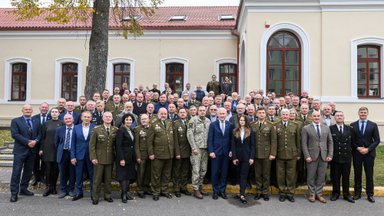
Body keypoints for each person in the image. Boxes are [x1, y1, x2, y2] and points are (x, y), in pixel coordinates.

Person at [10, 104, 41, 202]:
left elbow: (40, 133)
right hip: (20, 151)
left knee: (28, 172)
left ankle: (23, 189)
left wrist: (36, 141)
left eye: (29, 109)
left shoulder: (36, 121)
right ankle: (14, 193)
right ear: (22, 111)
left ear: (32, 111)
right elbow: (15, 134)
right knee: (16, 172)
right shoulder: (15, 121)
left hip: (32, 151)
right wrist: (28, 142)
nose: (28, 111)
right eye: (26, 109)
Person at [302, 111, 333, 203]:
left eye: (318, 116)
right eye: (314, 116)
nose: (316, 117)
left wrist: (330, 154)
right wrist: (307, 155)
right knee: (311, 176)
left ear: (321, 117)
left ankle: (319, 194)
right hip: (311, 156)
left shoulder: (326, 128)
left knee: (321, 176)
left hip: (324, 156)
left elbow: (330, 142)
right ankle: (312, 194)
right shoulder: (306, 128)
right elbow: (304, 143)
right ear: (311, 117)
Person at [350, 106, 380, 203]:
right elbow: (351, 140)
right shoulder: (352, 125)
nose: (363, 114)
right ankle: (357, 193)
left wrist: (368, 149)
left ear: (367, 113)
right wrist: (357, 147)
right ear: (358, 113)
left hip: (369, 154)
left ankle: (370, 194)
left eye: (364, 112)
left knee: (369, 174)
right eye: (361, 112)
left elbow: (377, 140)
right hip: (357, 153)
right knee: (357, 174)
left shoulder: (373, 125)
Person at [89, 112, 118, 205]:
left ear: (112, 118)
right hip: (99, 158)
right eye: (106, 116)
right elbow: (92, 145)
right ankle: (95, 197)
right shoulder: (96, 129)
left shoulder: (115, 129)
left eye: (110, 117)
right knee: (97, 179)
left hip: (110, 158)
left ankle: (107, 195)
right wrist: (93, 157)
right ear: (103, 118)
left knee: (108, 179)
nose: (108, 118)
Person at [147, 108, 174, 201]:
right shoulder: (153, 124)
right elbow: (149, 141)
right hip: (158, 154)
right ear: (158, 114)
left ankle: (164, 190)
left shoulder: (170, 123)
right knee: (156, 174)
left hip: (169, 153)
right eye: (161, 113)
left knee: (166, 174)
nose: (163, 115)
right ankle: (155, 191)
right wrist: (151, 153)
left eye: (165, 113)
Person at [251, 107, 277, 201]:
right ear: (256, 114)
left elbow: (273, 141)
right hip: (256, 153)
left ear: (265, 114)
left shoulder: (270, 125)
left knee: (266, 173)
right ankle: (258, 191)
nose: (261, 114)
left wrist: (272, 153)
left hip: (267, 153)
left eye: (263, 113)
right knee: (257, 173)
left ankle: (265, 192)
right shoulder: (252, 125)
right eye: (259, 113)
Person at [275, 109, 301, 202]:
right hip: (280, 153)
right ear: (280, 115)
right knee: (280, 174)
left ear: (289, 115)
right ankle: (282, 192)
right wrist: (274, 153)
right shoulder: (276, 125)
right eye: (283, 114)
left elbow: (298, 140)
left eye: (287, 114)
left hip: (292, 154)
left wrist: (298, 153)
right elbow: (274, 141)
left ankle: (290, 192)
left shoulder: (295, 125)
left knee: (291, 174)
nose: (285, 116)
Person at [208, 107, 233, 200]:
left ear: (226, 115)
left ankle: (222, 190)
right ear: (217, 115)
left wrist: (231, 150)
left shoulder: (230, 125)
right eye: (220, 114)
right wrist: (211, 151)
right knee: (214, 173)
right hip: (215, 153)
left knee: (224, 172)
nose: (222, 115)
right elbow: (210, 139)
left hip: (226, 153)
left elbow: (231, 139)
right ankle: (215, 191)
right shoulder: (213, 125)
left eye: (224, 114)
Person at [329, 111, 354, 203]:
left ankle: (346, 194)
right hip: (335, 157)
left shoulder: (350, 128)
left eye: (341, 115)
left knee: (346, 177)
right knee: (335, 176)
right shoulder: (330, 129)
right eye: (337, 116)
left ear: (344, 117)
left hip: (346, 156)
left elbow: (353, 142)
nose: (339, 117)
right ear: (334, 118)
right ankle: (335, 193)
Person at [187, 106, 211, 199]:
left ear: (206, 111)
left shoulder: (208, 121)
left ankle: (200, 186)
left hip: (205, 148)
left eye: (203, 110)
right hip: (196, 149)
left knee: (204, 169)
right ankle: (195, 189)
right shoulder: (193, 120)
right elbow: (190, 134)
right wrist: (193, 147)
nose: (202, 112)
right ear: (197, 111)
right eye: (200, 110)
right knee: (196, 169)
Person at [39, 107, 64, 197]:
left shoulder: (62, 123)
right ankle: (48, 187)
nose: (54, 113)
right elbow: (42, 137)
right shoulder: (46, 123)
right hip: (47, 148)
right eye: (52, 112)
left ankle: (53, 186)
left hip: (57, 149)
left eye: (56, 112)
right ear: (50, 113)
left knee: (55, 169)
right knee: (48, 169)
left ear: (58, 114)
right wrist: (41, 149)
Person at [70, 111, 95, 201]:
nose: (86, 118)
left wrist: (95, 156)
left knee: (92, 175)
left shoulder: (94, 127)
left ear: (91, 118)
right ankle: (79, 192)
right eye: (85, 117)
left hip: (91, 155)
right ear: (81, 118)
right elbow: (72, 143)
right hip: (79, 155)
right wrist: (72, 156)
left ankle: (93, 193)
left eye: (88, 117)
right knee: (79, 175)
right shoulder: (75, 128)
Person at [231, 116, 255, 204]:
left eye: (243, 120)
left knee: (244, 175)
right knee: (239, 175)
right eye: (240, 120)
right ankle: (240, 191)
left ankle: (242, 194)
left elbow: (252, 146)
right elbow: (233, 145)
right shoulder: (234, 131)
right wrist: (234, 157)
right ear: (238, 121)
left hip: (246, 157)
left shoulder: (250, 131)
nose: (242, 121)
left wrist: (251, 157)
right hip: (237, 157)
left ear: (246, 121)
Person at [115, 113, 137, 203]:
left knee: (129, 176)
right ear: (123, 121)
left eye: (130, 120)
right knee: (123, 176)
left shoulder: (131, 130)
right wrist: (121, 159)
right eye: (127, 119)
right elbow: (118, 146)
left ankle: (127, 193)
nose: (129, 121)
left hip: (131, 157)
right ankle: (123, 194)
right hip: (123, 157)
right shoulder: (121, 130)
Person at [55, 114, 76, 198]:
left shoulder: (77, 128)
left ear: (73, 119)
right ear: (64, 120)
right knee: (62, 172)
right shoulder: (59, 129)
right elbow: (56, 142)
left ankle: (71, 189)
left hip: (73, 153)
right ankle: (63, 190)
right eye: (66, 119)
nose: (68, 120)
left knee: (72, 172)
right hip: (63, 153)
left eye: (69, 118)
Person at [172, 108, 192, 197]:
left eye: (184, 112)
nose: (183, 114)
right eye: (181, 112)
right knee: (177, 171)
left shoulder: (190, 122)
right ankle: (176, 188)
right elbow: (175, 140)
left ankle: (183, 187)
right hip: (179, 151)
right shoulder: (175, 124)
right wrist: (177, 153)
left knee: (185, 171)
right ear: (178, 114)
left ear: (187, 113)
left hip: (188, 151)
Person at [31, 102, 50, 186]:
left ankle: (42, 176)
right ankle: (36, 176)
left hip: (46, 144)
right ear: (40, 108)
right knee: (35, 161)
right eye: (43, 107)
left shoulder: (51, 118)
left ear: (48, 108)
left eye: (46, 107)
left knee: (44, 161)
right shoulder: (34, 118)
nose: (44, 109)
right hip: (36, 143)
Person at [135, 114, 151, 198]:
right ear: (140, 120)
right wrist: (138, 156)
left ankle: (146, 188)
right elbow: (136, 145)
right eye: (142, 119)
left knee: (148, 173)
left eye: (145, 119)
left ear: (149, 119)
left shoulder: (152, 128)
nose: (144, 120)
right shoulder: (137, 129)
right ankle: (140, 189)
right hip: (142, 154)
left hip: (151, 154)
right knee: (141, 173)